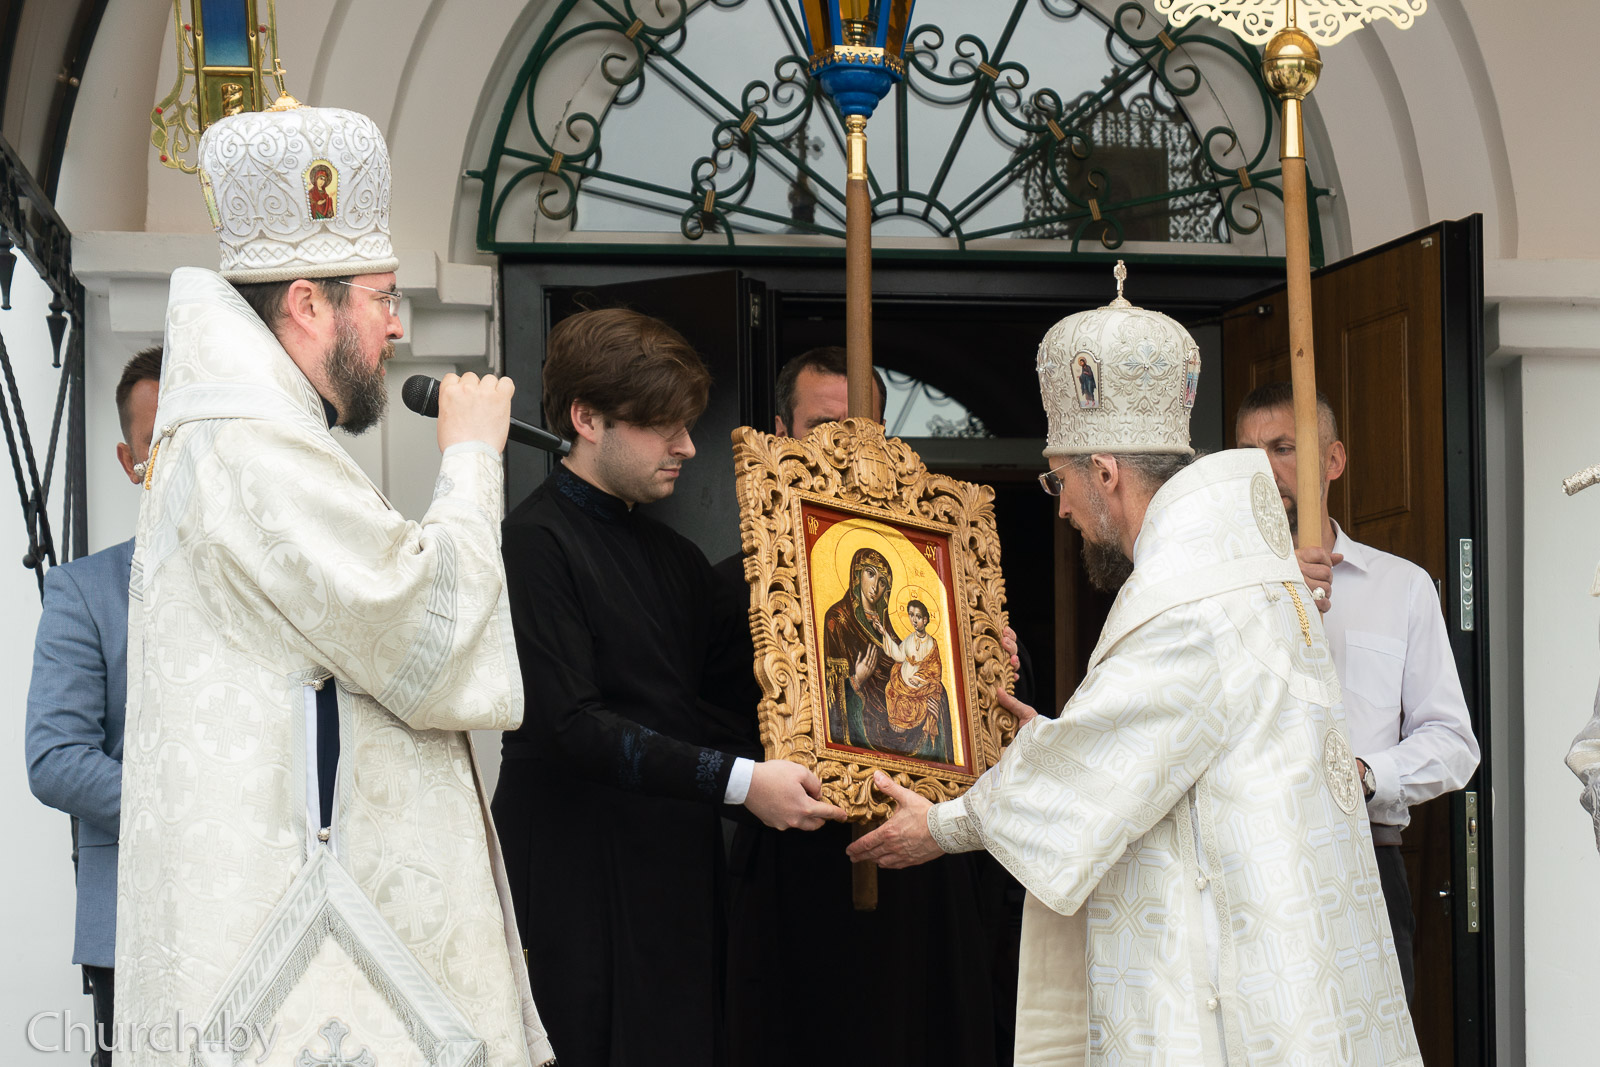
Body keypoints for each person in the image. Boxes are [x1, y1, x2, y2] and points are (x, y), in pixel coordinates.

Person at [850, 263, 1420, 1065]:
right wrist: (1063, 736)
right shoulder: (1244, 567)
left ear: (1105, 471)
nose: (1059, 505)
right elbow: (1157, 741)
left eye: (1059, 478)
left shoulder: (1188, 594)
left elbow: (1108, 761)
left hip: (1229, 987)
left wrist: (941, 826)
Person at [116, 101, 552, 1066]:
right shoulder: (250, 445)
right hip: (305, 947)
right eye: (383, 297)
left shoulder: (245, 432)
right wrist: (471, 460)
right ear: (311, 304)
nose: (397, 326)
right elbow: (426, 636)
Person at [492, 308, 845, 1067]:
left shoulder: (678, 558)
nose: (687, 446)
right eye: (664, 426)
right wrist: (743, 782)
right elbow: (571, 725)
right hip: (575, 881)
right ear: (588, 419)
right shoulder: (532, 543)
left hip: (674, 881)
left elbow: (749, 698)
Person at [721, 345, 1027, 1067]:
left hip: (926, 880)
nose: (849, 446)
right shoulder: (745, 584)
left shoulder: (941, 579)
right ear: (782, 432)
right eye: (824, 426)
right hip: (802, 873)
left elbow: (988, 722)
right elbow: (719, 728)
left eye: (865, 428)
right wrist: (844, 686)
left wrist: (991, 657)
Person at [1235, 380, 1480, 1002]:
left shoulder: (1402, 587)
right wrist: (1272, 596)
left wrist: (1366, 775)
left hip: (1367, 855)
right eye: (1248, 454)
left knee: (1372, 1037)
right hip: (1246, 860)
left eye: (1283, 448)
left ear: (1333, 460)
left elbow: (1453, 742)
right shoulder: (1220, 592)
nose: (1264, 470)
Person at [25, 346, 160, 1066]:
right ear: (127, 460)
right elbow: (55, 758)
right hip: (131, 931)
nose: (175, 457)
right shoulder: (82, 590)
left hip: (267, 919)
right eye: (156, 441)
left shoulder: (278, 587)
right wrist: (185, 807)